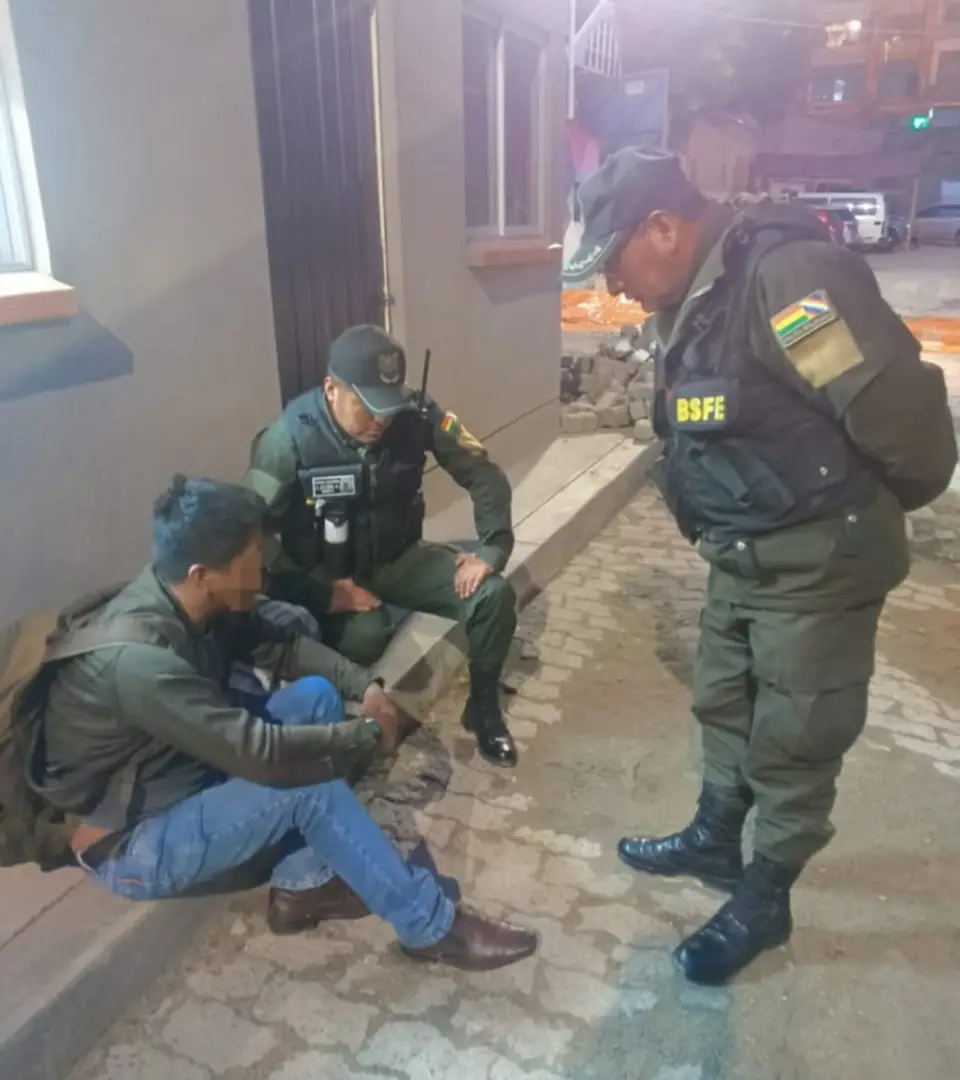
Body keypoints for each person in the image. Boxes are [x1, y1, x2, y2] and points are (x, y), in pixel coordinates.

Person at [563, 149, 957, 986]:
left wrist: (862, 514)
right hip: (743, 555)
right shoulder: (695, 296)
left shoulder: (788, 283)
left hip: (818, 562)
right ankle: (716, 839)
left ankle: (768, 894)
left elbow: (903, 425)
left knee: (795, 736)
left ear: (663, 228)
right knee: (725, 700)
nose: (614, 286)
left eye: (615, 261)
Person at [33, 476, 537, 971]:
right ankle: (431, 929)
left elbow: (283, 646)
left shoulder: (185, 597)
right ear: (204, 573)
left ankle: (303, 887)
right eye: (253, 556)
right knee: (308, 789)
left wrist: (365, 687)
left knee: (317, 696)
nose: (263, 569)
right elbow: (262, 753)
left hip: (180, 774)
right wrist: (366, 734)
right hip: (134, 843)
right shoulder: (140, 664)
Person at [242, 325, 519, 768]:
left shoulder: (417, 413)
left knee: (492, 595)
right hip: (324, 571)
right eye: (367, 406)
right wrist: (321, 592)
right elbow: (251, 535)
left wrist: (491, 549)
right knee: (366, 638)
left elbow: (482, 472)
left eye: (388, 407)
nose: (381, 421)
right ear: (331, 389)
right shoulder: (288, 439)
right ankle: (318, 718)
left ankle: (482, 707)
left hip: (399, 559)